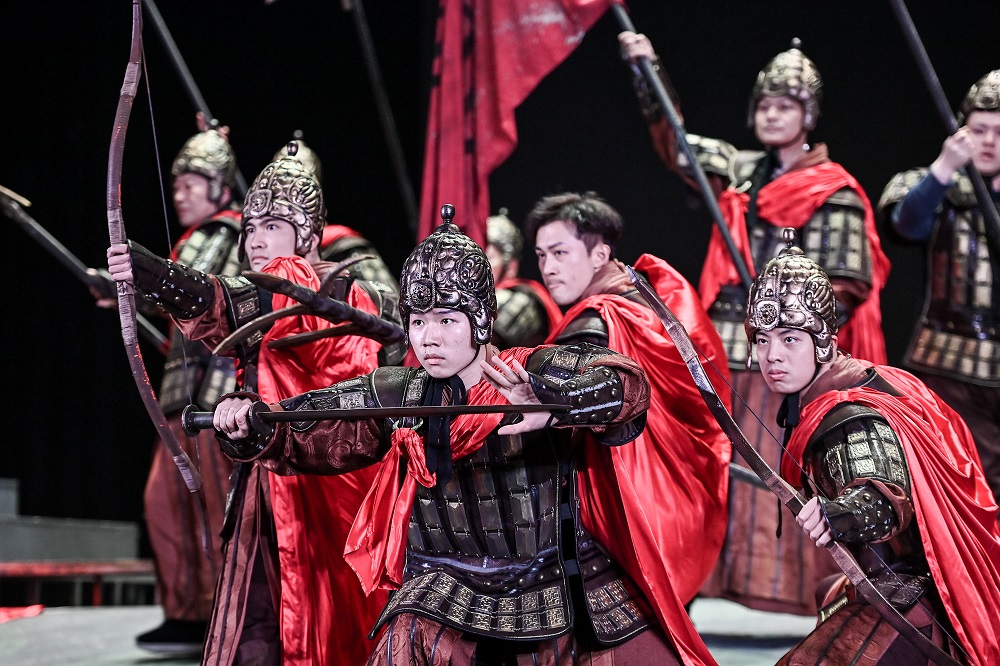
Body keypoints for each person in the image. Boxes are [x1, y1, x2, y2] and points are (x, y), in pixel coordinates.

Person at [208, 218, 722, 665]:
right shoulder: (398, 393)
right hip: (442, 587)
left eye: (447, 320)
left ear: (480, 321)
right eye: (418, 321)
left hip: (554, 580)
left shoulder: (531, 368)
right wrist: (251, 422)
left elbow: (625, 386)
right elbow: (313, 428)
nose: (428, 337)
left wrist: (554, 400)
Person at [619, 33, 891, 616]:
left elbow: (845, 285)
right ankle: (710, 583)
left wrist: (791, 328)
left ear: (807, 115)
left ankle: (798, 595)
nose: (772, 114)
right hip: (728, 346)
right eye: (765, 105)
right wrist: (648, 72)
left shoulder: (835, 191)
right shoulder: (739, 173)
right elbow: (678, 145)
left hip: (792, 358)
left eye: (785, 106)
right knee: (724, 464)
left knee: (784, 464)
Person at [108, 142, 401, 665]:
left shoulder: (329, 286)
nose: (257, 239)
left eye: (273, 225)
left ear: (308, 235)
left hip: (334, 478)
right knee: (260, 619)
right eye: (250, 228)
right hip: (272, 477)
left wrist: (151, 272)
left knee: (334, 616)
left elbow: (231, 298)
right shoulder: (273, 291)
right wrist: (149, 276)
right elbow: (227, 301)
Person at [744, 233, 1000, 665]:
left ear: (823, 343)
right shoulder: (869, 377)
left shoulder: (848, 415)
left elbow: (883, 498)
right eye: (762, 340)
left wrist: (837, 514)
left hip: (921, 596)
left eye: (789, 339)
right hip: (911, 582)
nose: (772, 356)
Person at [524, 191, 731, 607]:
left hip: (634, 510)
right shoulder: (652, 296)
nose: (548, 267)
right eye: (542, 255)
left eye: (560, 253)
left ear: (600, 253)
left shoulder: (599, 321)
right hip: (682, 502)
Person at [100, 121, 243, 654]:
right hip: (181, 399)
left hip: (214, 396)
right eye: (176, 185)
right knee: (166, 506)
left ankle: (226, 617)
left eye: (191, 184)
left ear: (219, 188)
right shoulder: (200, 237)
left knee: (213, 511)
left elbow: (185, 283)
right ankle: (188, 615)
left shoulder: (225, 232)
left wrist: (134, 283)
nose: (179, 194)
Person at [877, 69, 1000, 509]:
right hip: (951, 362)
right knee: (958, 481)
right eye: (979, 130)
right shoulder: (940, 187)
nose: (989, 141)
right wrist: (944, 168)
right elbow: (905, 225)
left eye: (999, 132)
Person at [485, 209, 562, 349]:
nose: (478, 266)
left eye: (488, 258)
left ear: (511, 267)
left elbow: (478, 345)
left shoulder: (521, 301)